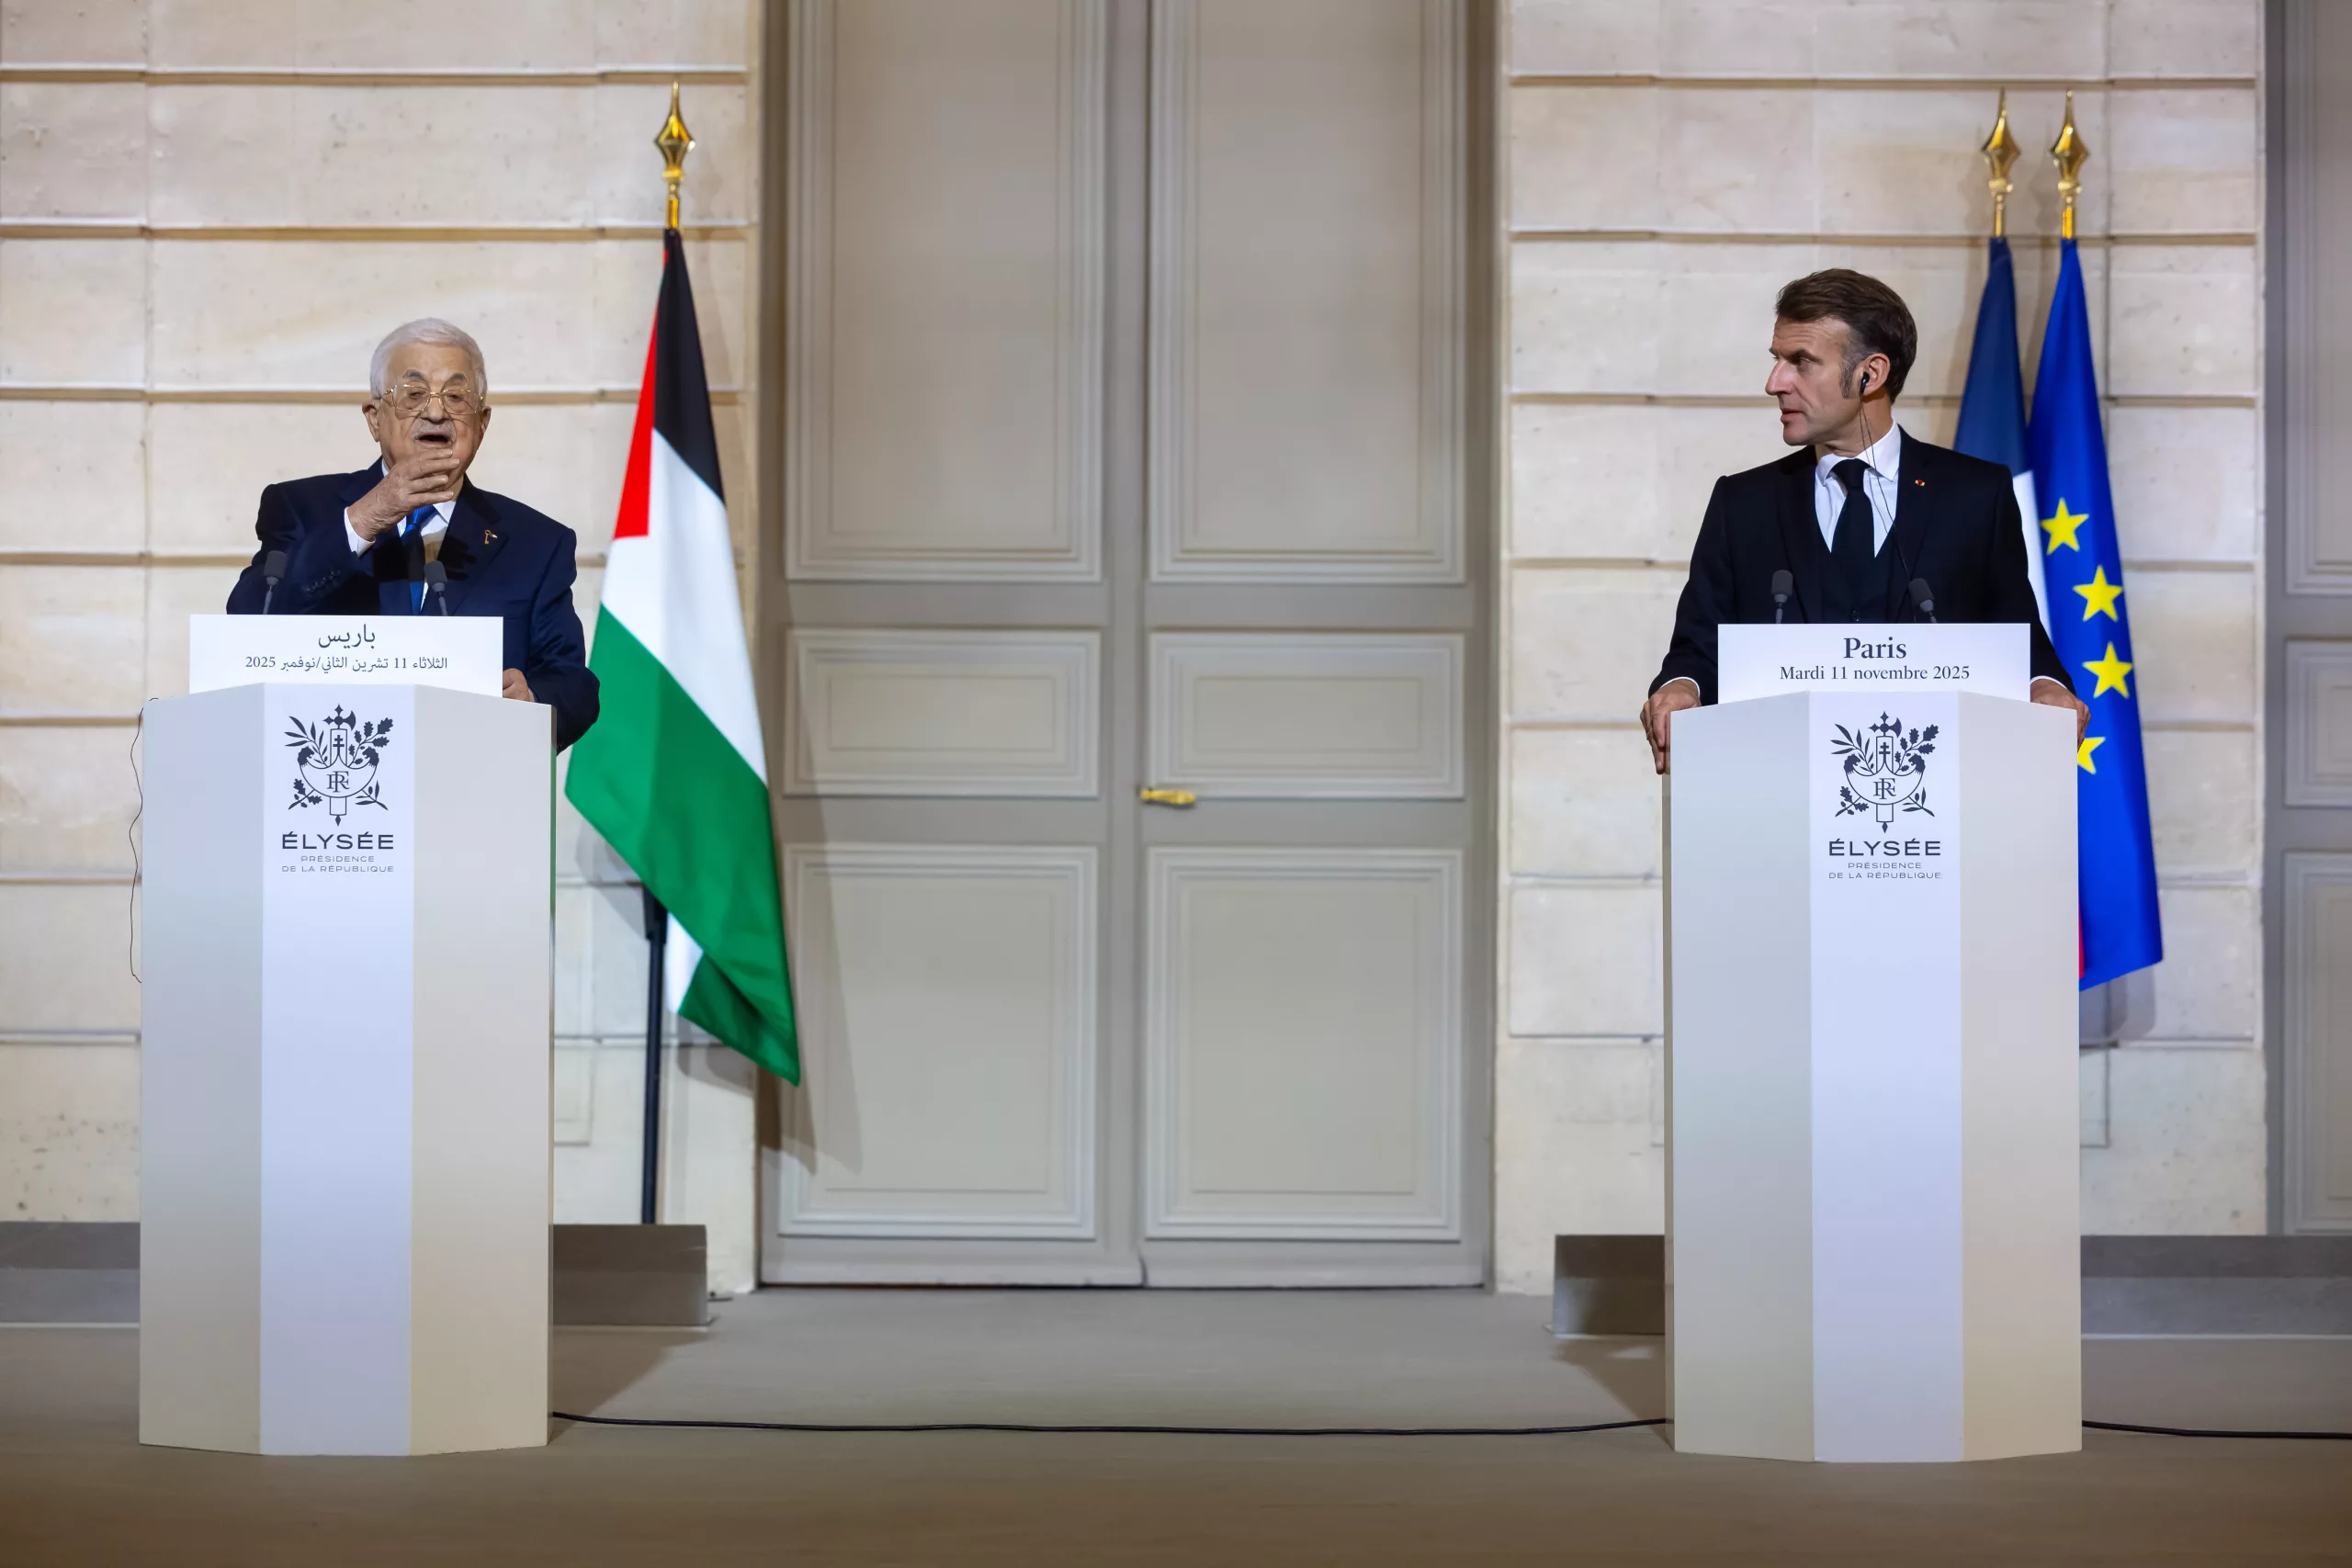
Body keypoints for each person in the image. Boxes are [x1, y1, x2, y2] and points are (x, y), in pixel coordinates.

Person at [1640, 268, 2086, 774]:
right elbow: (1698, 648)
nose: (1774, 383)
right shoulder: (1742, 503)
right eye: (1776, 360)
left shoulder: (1976, 496)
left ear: (1870, 374)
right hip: (1776, 786)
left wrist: (2047, 687)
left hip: (1934, 789)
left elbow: (2018, 638)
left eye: (1801, 362)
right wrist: (1680, 687)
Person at [225, 318, 600, 750]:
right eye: (414, 393)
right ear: (374, 419)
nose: (436, 412)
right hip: (331, 769)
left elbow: (573, 682)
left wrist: (532, 700)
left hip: (468, 772)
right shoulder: (302, 508)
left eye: (456, 396)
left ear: (482, 423)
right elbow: (248, 620)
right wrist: (364, 521)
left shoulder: (536, 542)